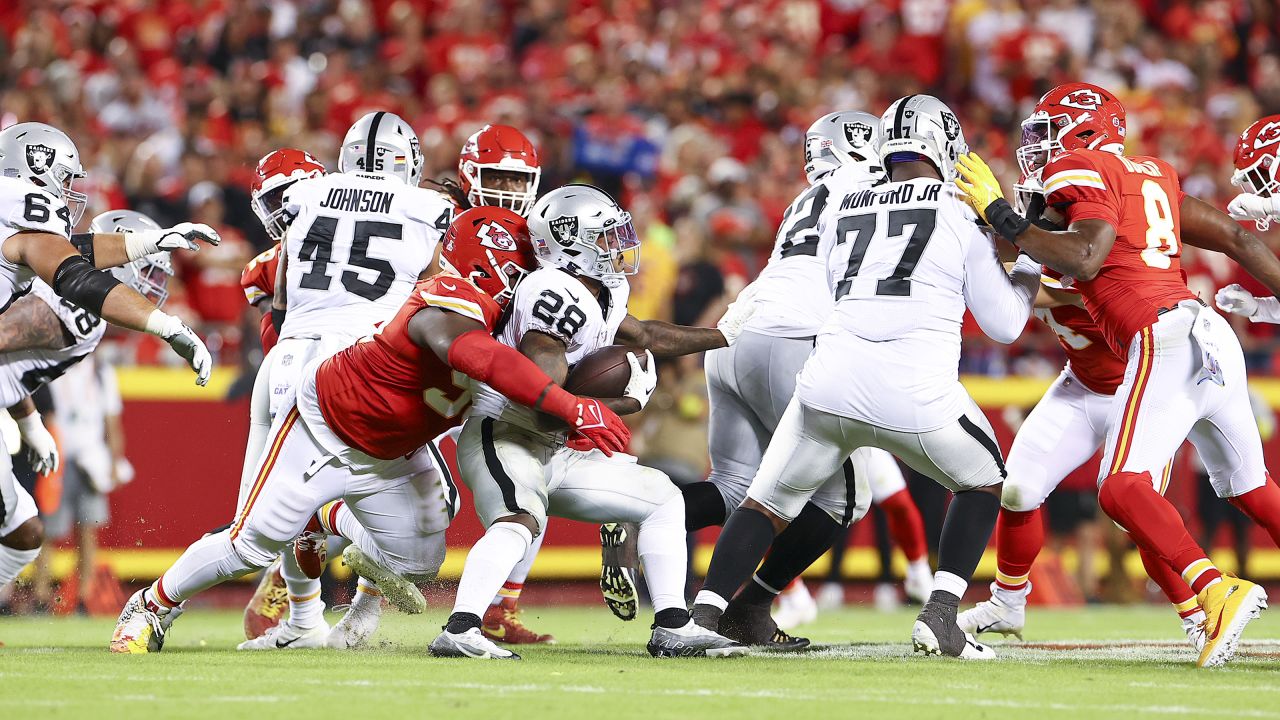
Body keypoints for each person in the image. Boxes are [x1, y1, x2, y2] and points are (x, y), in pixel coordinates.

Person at [109, 206, 628, 653]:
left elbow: (525, 380)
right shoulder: (446, 296)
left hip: (395, 454)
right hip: (326, 426)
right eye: (524, 271)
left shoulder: (512, 322)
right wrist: (571, 405)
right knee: (251, 545)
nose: (534, 284)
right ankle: (150, 606)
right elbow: (475, 354)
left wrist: (616, 398)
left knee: (421, 563)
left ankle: (330, 518)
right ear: (495, 269)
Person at [691, 95, 1042, 661]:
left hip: (827, 381)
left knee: (762, 501)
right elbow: (1005, 325)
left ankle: (703, 618)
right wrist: (1026, 264)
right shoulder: (958, 208)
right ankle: (942, 615)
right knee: (983, 482)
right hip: (915, 390)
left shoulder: (849, 200)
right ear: (947, 146)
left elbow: (828, 285)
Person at [953, 82, 1280, 668]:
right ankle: (1011, 598)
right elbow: (1234, 237)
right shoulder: (1149, 173)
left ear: (1083, 132)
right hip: (1206, 335)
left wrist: (997, 214)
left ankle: (1214, 591)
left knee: (1123, 489)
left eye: (1048, 132)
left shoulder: (1083, 166)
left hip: (1165, 339)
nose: (1040, 148)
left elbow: (1081, 258)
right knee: (1252, 489)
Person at [430, 184, 756, 660]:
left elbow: (644, 334)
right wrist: (627, 402)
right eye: (606, 236)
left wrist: (723, 335)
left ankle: (672, 625)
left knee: (663, 498)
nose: (620, 245)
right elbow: (544, 399)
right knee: (519, 519)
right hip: (506, 433)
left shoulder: (600, 289)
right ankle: (460, 628)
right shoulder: (553, 294)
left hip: (558, 445)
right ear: (568, 243)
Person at [680, 111, 930, 647]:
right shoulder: (877, 190)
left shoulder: (804, 200)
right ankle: (742, 608)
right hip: (795, 339)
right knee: (844, 500)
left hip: (732, 338)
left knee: (733, 488)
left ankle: (649, 514)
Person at [0, 209, 170, 606]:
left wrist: (29, 422)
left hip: (39, 427)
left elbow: (10, 368)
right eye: (147, 272)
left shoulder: (83, 316)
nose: (152, 286)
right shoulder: (69, 304)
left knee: (26, 531)